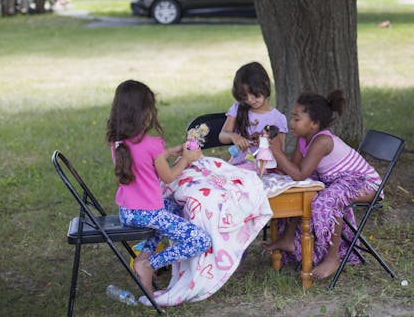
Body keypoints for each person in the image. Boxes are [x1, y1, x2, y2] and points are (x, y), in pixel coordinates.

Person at [107, 80, 212, 297]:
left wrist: (169, 152)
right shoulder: (152, 144)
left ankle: (143, 258)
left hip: (128, 212)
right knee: (200, 240)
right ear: (145, 113)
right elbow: (169, 177)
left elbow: (141, 160)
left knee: (171, 207)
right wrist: (186, 158)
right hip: (148, 213)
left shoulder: (117, 143)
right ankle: (150, 264)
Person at [262, 90, 382, 279]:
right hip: (338, 182)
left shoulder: (322, 141)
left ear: (314, 124)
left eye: (296, 119)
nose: (291, 123)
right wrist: (273, 164)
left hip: (363, 183)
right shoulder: (304, 139)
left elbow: (300, 174)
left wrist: (277, 152)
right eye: (292, 118)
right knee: (299, 192)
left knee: (327, 200)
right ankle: (287, 239)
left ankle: (332, 258)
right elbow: (292, 170)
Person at [219, 62, 287, 165]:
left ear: (265, 85)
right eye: (245, 97)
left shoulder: (278, 118)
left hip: (264, 170)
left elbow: (280, 154)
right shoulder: (238, 108)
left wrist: (266, 143)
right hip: (237, 168)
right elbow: (222, 136)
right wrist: (233, 136)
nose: (250, 100)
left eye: (255, 95)